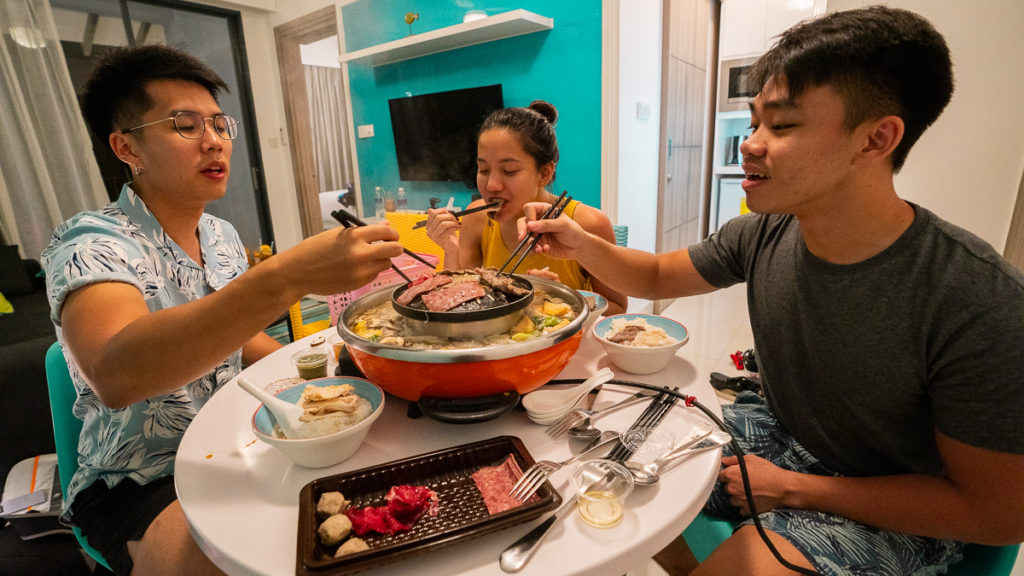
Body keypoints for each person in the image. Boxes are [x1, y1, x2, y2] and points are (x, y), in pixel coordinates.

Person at [517, 6, 1024, 575]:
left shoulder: (978, 301)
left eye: (780, 126)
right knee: (602, 459)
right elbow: (659, 276)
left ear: (877, 138)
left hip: (888, 502)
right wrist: (579, 244)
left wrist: (796, 489)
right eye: (755, 121)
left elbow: (1000, 513)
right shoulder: (767, 232)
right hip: (778, 439)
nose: (750, 144)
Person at [42, 45, 402, 576]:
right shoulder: (90, 242)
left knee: (366, 516)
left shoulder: (220, 235)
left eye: (218, 123)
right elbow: (117, 373)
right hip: (139, 479)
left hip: (233, 437)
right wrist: (287, 275)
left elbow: (236, 335)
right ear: (126, 147)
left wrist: (320, 381)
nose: (214, 141)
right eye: (184, 126)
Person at [424, 100, 627, 315]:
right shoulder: (477, 218)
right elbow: (463, 305)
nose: (491, 185)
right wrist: (451, 248)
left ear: (545, 173)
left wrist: (560, 299)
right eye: (483, 170)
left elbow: (618, 308)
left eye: (509, 170)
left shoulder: (588, 224)